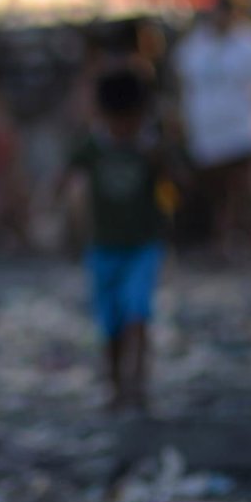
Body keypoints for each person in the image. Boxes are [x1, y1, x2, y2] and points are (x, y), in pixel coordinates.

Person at [56, 63, 173, 413]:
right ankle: (115, 388)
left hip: (143, 245)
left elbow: (179, 185)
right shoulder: (93, 146)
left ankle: (137, 387)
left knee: (138, 315)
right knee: (110, 326)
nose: (123, 129)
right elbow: (66, 178)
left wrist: (163, 164)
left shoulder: (153, 146)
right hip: (103, 247)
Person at [170, 0, 251, 262]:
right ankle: (223, 242)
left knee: (249, 188)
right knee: (219, 195)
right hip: (208, 137)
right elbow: (181, 84)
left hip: (246, 132)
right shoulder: (194, 44)